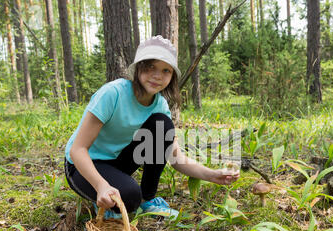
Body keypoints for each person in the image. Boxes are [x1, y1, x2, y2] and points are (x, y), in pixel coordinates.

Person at [64, 35, 239, 220]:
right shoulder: (112, 94)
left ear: (172, 77)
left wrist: (212, 175)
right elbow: (78, 149)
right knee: (130, 197)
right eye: (151, 67)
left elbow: (175, 156)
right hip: (81, 164)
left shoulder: (160, 105)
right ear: (139, 67)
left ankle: (148, 199)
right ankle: (102, 193)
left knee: (162, 123)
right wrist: (101, 185)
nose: (157, 76)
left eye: (166, 70)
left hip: (117, 163)